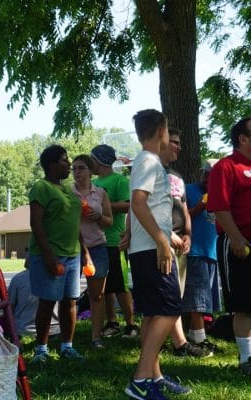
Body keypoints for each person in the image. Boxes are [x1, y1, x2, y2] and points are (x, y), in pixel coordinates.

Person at [125, 109, 190, 400]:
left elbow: (147, 206)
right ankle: (140, 380)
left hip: (147, 248)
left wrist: (167, 236)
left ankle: (154, 377)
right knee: (169, 309)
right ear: (162, 131)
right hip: (152, 250)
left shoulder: (145, 162)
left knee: (154, 313)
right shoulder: (149, 161)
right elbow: (138, 203)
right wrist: (162, 241)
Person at [28, 144, 91, 363]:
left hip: (72, 255)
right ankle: (41, 350)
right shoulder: (41, 187)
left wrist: (85, 252)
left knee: (70, 301)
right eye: (64, 160)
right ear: (52, 165)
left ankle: (67, 347)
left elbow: (74, 225)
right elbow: (36, 224)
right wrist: (49, 256)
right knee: (47, 302)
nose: (69, 164)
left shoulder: (67, 191)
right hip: (50, 254)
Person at [160, 128, 212, 358]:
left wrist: (188, 234)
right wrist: (166, 233)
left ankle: (178, 342)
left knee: (180, 295)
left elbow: (182, 210)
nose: (179, 147)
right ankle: (183, 342)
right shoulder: (151, 171)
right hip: (164, 242)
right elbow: (141, 205)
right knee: (172, 296)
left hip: (187, 244)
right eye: (174, 142)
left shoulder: (177, 176)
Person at [207, 117, 251, 376]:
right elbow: (219, 206)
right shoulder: (226, 166)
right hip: (238, 244)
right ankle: (246, 359)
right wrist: (235, 237)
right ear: (242, 138)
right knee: (244, 303)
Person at [91, 144, 139, 338]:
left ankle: (131, 324)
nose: (90, 163)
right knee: (105, 286)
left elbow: (128, 205)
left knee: (120, 285)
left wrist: (102, 206)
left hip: (115, 240)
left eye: (92, 159)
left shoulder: (119, 180)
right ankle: (112, 322)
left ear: (99, 160)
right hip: (96, 241)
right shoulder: (93, 183)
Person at [71, 154, 113, 348]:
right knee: (68, 296)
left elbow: (109, 221)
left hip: (97, 247)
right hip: (72, 248)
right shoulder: (68, 192)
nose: (77, 172)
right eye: (74, 169)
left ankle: (96, 337)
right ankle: (66, 338)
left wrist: (98, 216)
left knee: (97, 295)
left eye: (81, 168)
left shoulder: (101, 193)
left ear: (90, 171)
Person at [184, 159, 221, 348]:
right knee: (197, 296)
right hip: (194, 250)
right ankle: (200, 339)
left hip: (212, 252)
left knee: (205, 297)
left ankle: (193, 333)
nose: (208, 179)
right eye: (206, 174)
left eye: (213, 176)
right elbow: (179, 219)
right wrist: (199, 208)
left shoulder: (220, 194)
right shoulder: (187, 190)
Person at [8, 250, 60, 337]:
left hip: (24, 330)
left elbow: (10, 307)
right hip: (54, 331)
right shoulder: (57, 278)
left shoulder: (18, 278)